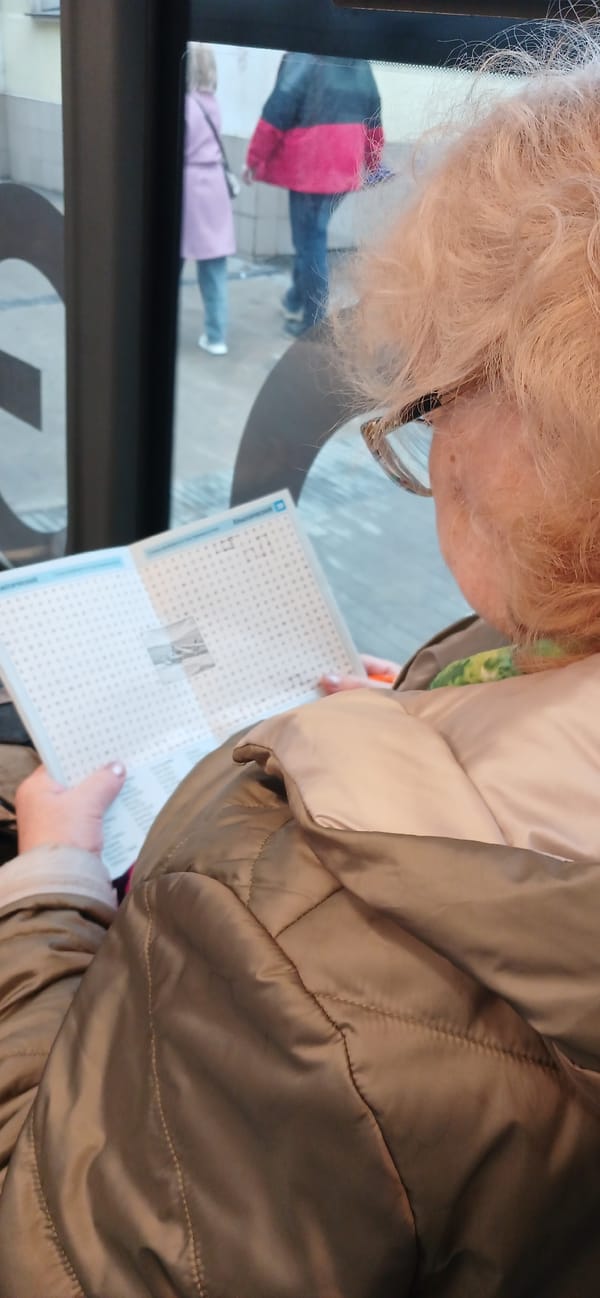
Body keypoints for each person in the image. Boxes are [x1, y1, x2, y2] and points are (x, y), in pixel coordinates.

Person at [3, 40, 600, 1298]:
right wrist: (449, 732)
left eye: (436, 396)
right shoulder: (531, 664)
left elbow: (59, 1246)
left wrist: (50, 884)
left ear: (533, 434)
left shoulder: (306, 931)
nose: (429, 434)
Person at [244, 53, 384, 337]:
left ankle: (314, 325)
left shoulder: (303, 58)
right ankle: (295, 298)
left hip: (311, 167)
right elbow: (374, 119)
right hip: (346, 166)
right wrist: (372, 162)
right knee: (310, 238)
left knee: (310, 244)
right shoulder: (359, 62)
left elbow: (277, 112)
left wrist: (255, 159)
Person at [181, 43, 235, 357]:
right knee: (214, 268)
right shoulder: (212, 103)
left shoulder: (184, 104)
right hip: (213, 185)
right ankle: (216, 336)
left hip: (188, 187)